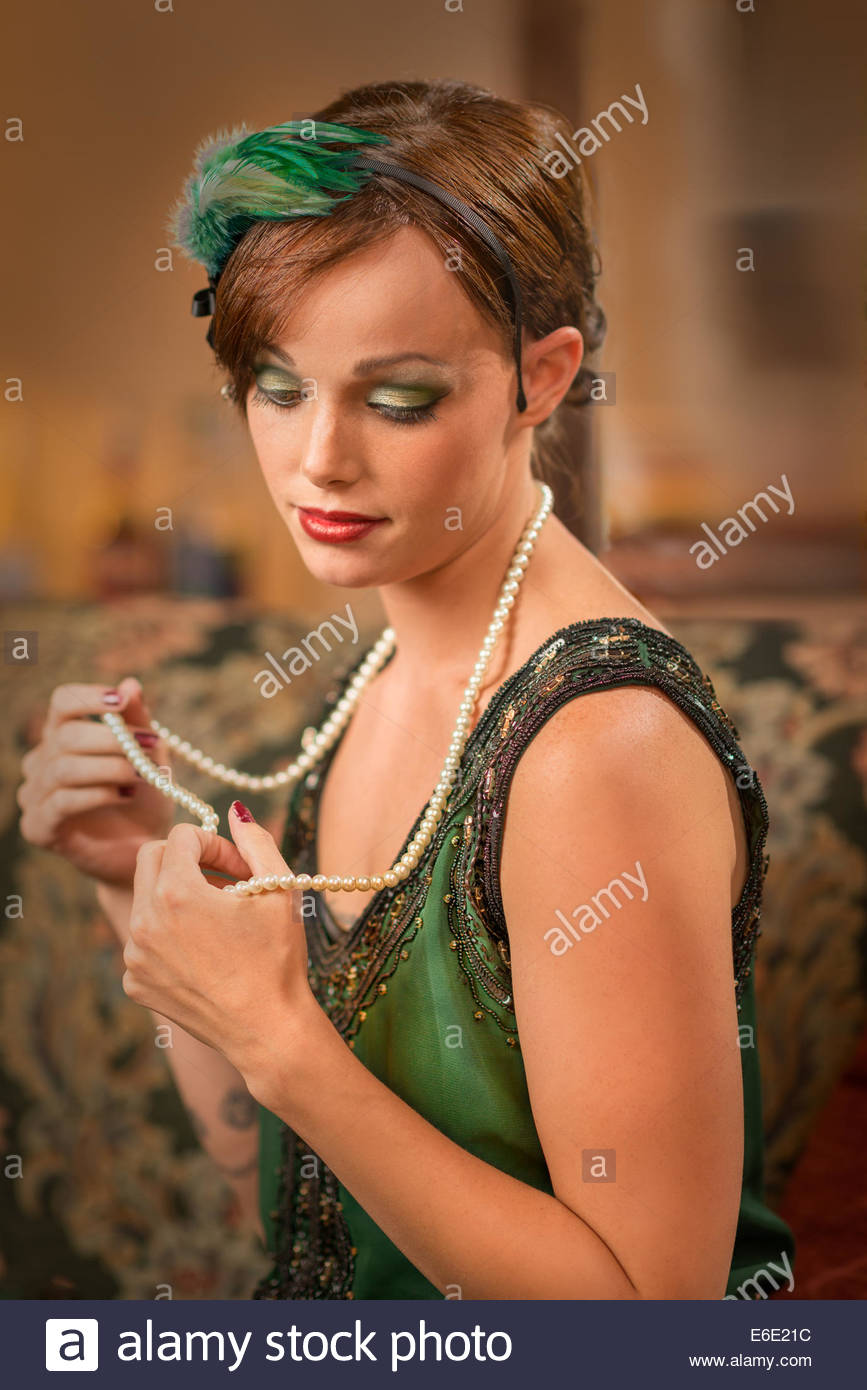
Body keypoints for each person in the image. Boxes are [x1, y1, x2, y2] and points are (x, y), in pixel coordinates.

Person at [17, 78, 794, 1300]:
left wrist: (283, 1044)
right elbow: (301, 1201)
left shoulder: (598, 748)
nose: (319, 457)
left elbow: (653, 1326)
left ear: (543, 377)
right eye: (277, 387)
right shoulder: (387, 667)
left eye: (398, 397)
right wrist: (132, 879)